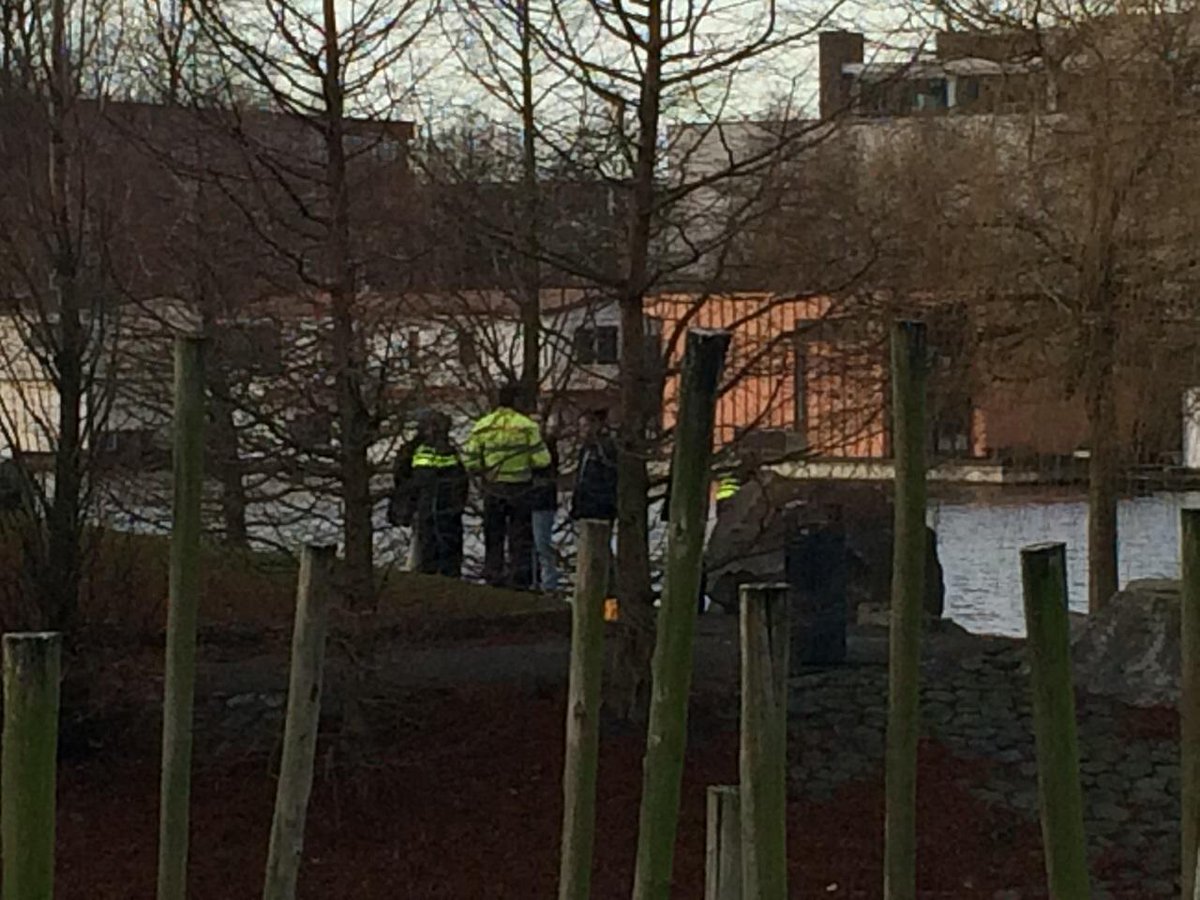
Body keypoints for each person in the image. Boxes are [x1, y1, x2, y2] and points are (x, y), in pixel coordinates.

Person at [465, 383, 551, 589]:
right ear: (516, 401)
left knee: (494, 534)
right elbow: (542, 460)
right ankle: (519, 579)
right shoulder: (526, 426)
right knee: (520, 536)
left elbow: (471, 462)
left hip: (493, 489)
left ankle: (493, 575)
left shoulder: (483, 426)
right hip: (520, 489)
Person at [388, 411, 467, 578]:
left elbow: (401, 477)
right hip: (440, 504)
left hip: (431, 503)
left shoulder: (413, 449)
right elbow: (460, 480)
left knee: (429, 542)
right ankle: (443, 574)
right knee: (440, 542)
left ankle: (432, 573)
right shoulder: (447, 451)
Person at [570, 408, 618, 522]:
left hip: (600, 510)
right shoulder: (585, 450)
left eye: (585, 426)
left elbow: (610, 479)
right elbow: (580, 480)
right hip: (584, 510)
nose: (582, 430)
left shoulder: (604, 449)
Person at [530, 416, 562, 593]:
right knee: (532, 544)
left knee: (541, 543)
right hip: (533, 501)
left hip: (542, 503)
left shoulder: (546, 448)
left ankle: (549, 582)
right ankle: (536, 580)